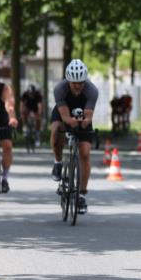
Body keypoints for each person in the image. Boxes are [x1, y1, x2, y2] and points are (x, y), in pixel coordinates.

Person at [50, 59, 99, 214]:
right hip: (64, 112)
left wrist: (83, 123)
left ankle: (82, 195)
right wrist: (72, 123)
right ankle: (58, 163)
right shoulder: (60, 89)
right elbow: (65, 117)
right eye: (74, 83)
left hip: (82, 113)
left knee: (84, 153)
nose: (77, 86)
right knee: (57, 129)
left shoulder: (92, 90)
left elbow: (88, 117)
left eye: (80, 83)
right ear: (68, 81)